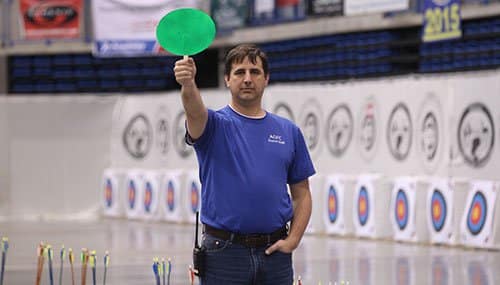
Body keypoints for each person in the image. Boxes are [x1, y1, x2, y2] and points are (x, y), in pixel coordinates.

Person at [174, 44, 315, 284]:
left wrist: (293, 240)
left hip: (275, 255)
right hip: (224, 254)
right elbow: (194, 112)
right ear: (227, 79)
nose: (247, 79)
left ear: (266, 78)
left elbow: (302, 195)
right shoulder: (213, 125)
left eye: (255, 72)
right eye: (239, 73)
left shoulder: (289, 131)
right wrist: (188, 84)